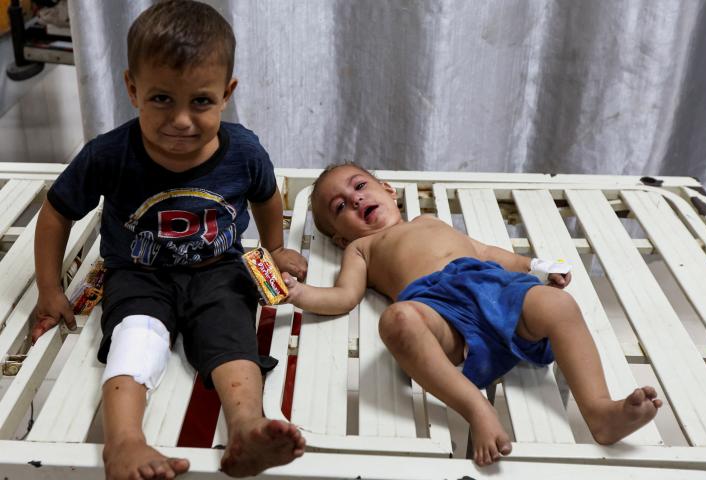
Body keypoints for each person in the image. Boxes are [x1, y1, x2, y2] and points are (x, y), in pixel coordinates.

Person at [30, 1, 307, 478]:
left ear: (226, 93)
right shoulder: (109, 154)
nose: (181, 120)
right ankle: (123, 443)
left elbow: (266, 197)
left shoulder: (243, 150)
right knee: (136, 338)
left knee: (232, 338)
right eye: (161, 98)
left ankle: (246, 427)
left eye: (200, 101)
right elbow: (56, 212)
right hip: (138, 274)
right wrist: (49, 288)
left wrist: (274, 246)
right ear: (132, 89)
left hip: (219, 270)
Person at [283, 163, 662, 467]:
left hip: (492, 287)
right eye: (340, 207)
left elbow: (488, 253)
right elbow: (344, 296)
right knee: (397, 320)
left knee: (558, 305)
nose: (354, 199)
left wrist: (536, 267)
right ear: (341, 239)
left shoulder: (428, 221)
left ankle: (599, 411)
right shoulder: (361, 249)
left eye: (360, 185)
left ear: (388, 189)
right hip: (440, 310)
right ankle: (476, 408)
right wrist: (300, 293)